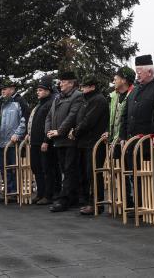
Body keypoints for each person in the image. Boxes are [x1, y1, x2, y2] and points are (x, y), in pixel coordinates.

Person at [120, 55, 154, 212]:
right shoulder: (135, 90)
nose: (137, 75)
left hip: (147, 142)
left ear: (150, 72)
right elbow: (125, 115)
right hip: (132, 142)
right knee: (135, 176)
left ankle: (152, 208)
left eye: (140, 72)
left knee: (150, 176)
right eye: (136, 72)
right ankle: (139, 206)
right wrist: (123, 136)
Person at [46, 71, 84, 212]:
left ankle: (64, 199)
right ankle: (73, 197)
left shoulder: (77, 96)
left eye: (63, 81)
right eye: (60, 81)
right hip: (58, 140)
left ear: (72, 83)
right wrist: (49, 131)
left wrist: (60, 131)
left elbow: (72, 116)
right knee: (64, 169)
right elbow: (49, 116)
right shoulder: (57, 98)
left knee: (69, 170)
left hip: (69, 140)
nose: (60, 84)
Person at [0, 80, 28, 202]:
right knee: (3, 168)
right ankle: (8, 192)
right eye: (1, 89)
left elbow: (25, 120)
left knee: (14, 167)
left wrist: (18, 134)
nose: (3, 91)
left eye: (5, 88)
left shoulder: (19, 102)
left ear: (12, 89)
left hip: (13, 143)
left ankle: (15, 192)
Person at [72, 75, 110, 215]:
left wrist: (75, 131)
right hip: (84, 142)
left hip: (93, 143)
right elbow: (80, 118)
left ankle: (96, 204)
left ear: (92, 86)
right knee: (86, 174)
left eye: (84, 86)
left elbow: (89, 121)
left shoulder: (98, 100)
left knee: (94, 174)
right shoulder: (86, 100)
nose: (82, 89)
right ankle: (88, 201)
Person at [27, 76, 58, 205]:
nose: (38, 92)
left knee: (47, 168)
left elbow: (49, 123)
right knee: (36, 167)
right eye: (38, 90)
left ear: (48, 90)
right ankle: (40, 193)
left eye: (40, 90)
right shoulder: (41, 104)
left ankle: (48, 194)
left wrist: (46, 140)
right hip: (34, 141)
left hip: (44, 142)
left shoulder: (51, 102)